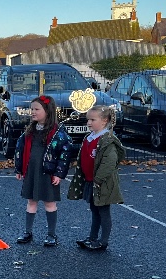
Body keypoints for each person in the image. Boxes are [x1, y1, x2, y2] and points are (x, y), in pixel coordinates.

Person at [13, 95, 74, 247]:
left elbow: (65, 153)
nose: (33, 112)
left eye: (36, 109)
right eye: (32, 109)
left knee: (49, 203)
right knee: (31, 201)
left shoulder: (57, 133)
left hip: (48, 173)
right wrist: (19, 168)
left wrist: (59, 173)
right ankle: (27, 232)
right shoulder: (29, 132)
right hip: (31, 171)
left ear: (48, 111)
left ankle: (51, 234)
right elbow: (20, 150)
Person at [67, 105, 125, 251]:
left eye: (93, 120)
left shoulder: (107, 140)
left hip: (102, 183)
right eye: (88, 120)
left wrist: (98, 179)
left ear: (104, 121)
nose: (89, 123)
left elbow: (109, 163)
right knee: (95, 210)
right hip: (91, 181)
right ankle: (92, 238)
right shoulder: (89, 138)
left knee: (103, 212)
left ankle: (103, 241)